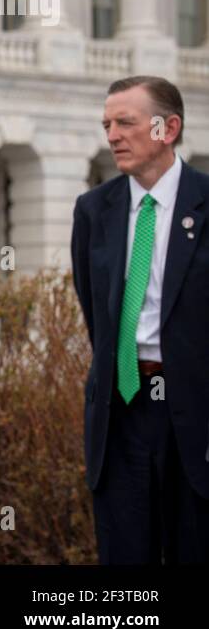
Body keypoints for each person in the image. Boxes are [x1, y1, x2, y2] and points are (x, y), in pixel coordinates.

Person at [71, 75, 209, 564]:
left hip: (193, 412)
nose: (112, 135)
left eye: (125, 122)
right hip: (121, 410)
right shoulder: (93, 209)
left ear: (167, 128)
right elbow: (97, 313)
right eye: (107, 124)